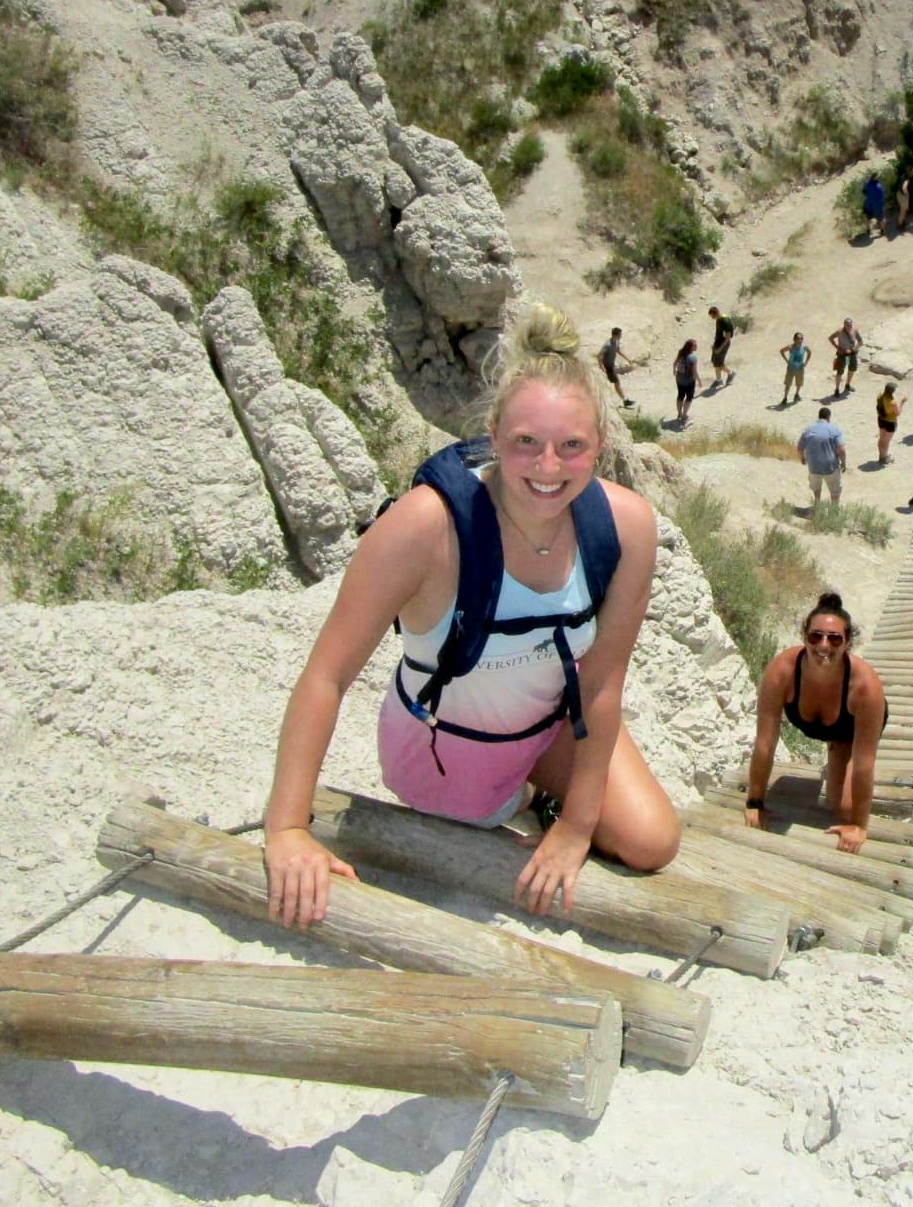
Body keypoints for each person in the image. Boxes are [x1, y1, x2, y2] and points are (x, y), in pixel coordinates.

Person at [261, 305, 680, 931]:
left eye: (572, 447)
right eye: (525, 444)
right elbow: (327, 675)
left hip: (544, 728)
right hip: (444, 749)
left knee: (653, 842)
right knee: (464, 811)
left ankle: (543, 797)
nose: (548, 468)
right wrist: (288, 827)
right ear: (492, 431)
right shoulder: (425, 527)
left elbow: (601, 683)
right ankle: (526, 796)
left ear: (601, 444)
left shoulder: (627, 528)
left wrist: (576, 827)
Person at [744, 593, 887, 854]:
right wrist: (755, 801)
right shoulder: (782, 672)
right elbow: (765, 742)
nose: (824, 645)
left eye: (834, 638)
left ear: (847, 643)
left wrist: (858, 825)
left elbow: (865, 764)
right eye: (815, 636)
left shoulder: (866, 688)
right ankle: (834, 759)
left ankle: (837, 754)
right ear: (804, 637)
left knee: (843, 808)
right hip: (817, 721)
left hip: (848, 729)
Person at [797, 406, 846, 506]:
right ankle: (834, 510)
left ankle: (817, 505)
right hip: (830, 467)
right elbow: (841, 449)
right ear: (829, 417)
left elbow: (799, 448)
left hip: (814, 466)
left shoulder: (808, 430)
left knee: (816, 487)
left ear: (819, 416)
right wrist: (844, 463)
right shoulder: (833, 429)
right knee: (835, 490)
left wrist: (802, 458)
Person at [598, 326, 638, 408]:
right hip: (607, 367)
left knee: (616, 383)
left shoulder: (616, 342)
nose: (621, 336)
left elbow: (618, 351)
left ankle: (624, 400)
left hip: (611, 366)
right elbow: (599, 356)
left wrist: (628, 359)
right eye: (620, 334)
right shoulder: (607, 345)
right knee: (616, 383)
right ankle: (625, 401)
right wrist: (602, 367)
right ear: (616, 335)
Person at [828, 318, 863, 397]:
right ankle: (837, 389)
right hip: (842, 354)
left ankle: (847, 384)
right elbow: (830, 338)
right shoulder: (839, 332)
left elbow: (861, 341)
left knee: (852, 369)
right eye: (847, 325)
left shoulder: (855, 330)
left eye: (850, 325)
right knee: (839, 372)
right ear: (844, 325)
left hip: (852, 353)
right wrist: (838, 348)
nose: (849, 327)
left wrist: (855, 348)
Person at [707, 306, 735, 388]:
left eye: (712, 316)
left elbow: (728, 337)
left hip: (723, 344)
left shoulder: (725, 321)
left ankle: (731, 373)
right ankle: (719, 380)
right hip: (718, 343)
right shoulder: (719, 320)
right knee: (715, 362)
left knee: (720, 364)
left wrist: (720, 348)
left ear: (715, 313)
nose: (712, 318)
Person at [673, 339, 699, 426]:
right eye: (695, 345)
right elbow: (694, 371)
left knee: (680, 395)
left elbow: (675, 363)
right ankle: (684, 416)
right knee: (689, 397)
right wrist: (699, 380)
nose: (696, 346)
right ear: (691, 347)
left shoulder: (681, 352)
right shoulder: (693, 358)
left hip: (679, 379)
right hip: (689, 381)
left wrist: (674, 371)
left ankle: (679, 414)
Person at [780, 331, 811, 405]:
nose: (800, 340)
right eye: (798, 338)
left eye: (801, 338)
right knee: (788, 384)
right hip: (791, 368)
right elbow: (781, 351)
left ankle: (796, 394)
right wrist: (787, 361)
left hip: (800, 368)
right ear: (794, 339)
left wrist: (806, 362)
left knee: (799, 383)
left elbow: (809, 352)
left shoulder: (804, 347)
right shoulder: (790, 347)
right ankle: (785, 398)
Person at [874, 381, 900, 465]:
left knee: (882, 438)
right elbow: (897, 413)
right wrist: (902, 403)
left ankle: (881, 455)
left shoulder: (880, 396)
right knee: (887, 441)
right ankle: (884, 458)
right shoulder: (893, 402)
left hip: (881, 419)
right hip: (890, 422)